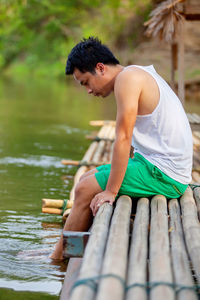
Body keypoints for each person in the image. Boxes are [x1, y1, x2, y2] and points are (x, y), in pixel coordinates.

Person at [50, 37, 193, 260]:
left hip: (166, 175)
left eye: (86, 82)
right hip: (157, 166)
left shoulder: (128, 79)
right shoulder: (135, 73)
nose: (87, 90)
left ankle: (57, 259)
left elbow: (123, 137)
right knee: (88, 177)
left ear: (100, 68)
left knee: (84, 188)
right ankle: (71, 248)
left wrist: (111, 191)